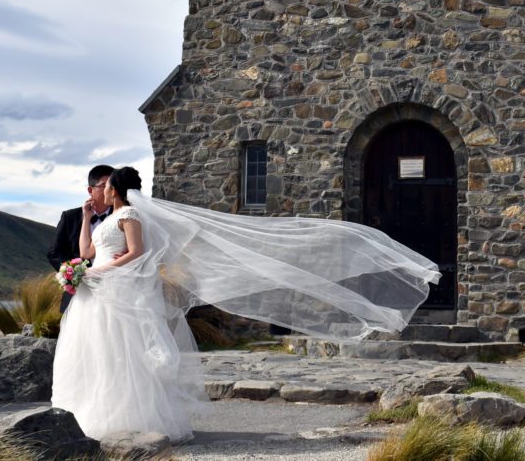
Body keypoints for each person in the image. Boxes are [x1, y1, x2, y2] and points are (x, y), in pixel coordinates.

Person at [51, 166, 440, 442]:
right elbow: (86, 251)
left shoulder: (131, 215)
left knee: (125, 354)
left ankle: (129, 419)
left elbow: (136, 253)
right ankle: (91, 416)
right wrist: (85, 240)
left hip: (114, 289)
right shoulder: (104, 221)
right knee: (100, 354)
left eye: (103, 187)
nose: (98, 192)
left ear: (114, 189)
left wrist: (102, 272)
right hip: (99, 292)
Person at [47, 165, 114, 312]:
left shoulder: (122, 217)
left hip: (114, 290)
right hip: (78, 294)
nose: (111, 190)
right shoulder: (70, 217)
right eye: (105, 185)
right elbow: (54, 253)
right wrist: (73, 273)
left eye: (113, 184)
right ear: (90, 190)